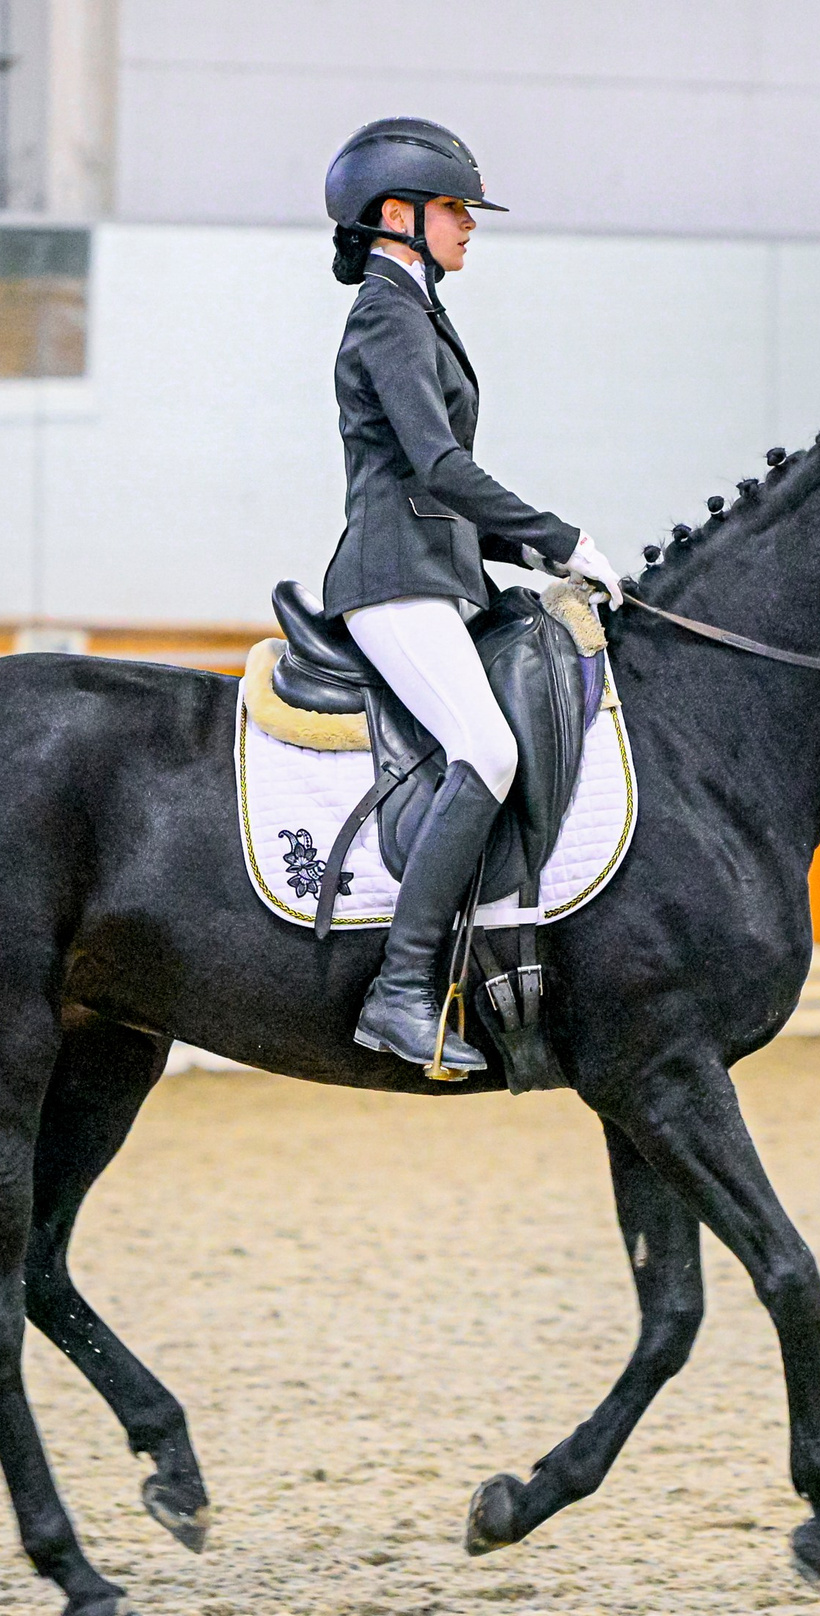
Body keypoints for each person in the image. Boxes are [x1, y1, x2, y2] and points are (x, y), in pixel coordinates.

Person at [319, 117, 622, 1076]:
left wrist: (540, 564)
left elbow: (437, 488)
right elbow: (440, 467)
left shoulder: (418, 310)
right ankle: (402, 991)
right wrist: (560, 536)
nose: (467, 225)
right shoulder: (385, 313)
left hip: (435, 572)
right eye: (454, 207)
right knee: (484, 750)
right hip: (391, 580)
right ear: (398, 214)